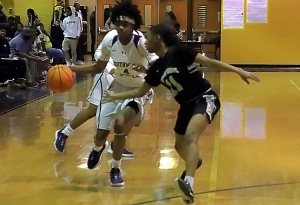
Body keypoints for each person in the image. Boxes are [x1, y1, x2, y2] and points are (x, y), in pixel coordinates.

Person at [103, 24, 261, 203]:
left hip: (204, 98)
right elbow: (140, 92)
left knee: (190, 135)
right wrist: (115, 95)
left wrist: (238, 70)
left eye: (147, 37)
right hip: (185, 106)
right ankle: (194, 161)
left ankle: (189, 183)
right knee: (179, 146)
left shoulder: (180, 51)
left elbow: (209, 62)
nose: (144, 42)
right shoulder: (156, 66)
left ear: (158, 38)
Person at [64, 0, 158, 187]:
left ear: (133, 25)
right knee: (100, 135)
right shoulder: (110, 40)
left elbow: (158, 66)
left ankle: (115, 168)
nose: (121, 27)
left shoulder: (141, 43)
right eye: (118, 23)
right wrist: (70, 68)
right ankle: (98, 149)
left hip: (136, 90)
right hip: (116, 87)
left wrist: (145, 70)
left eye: (126, 24)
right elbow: (98, 67)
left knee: (121, 124)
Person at [53, 29, 146, 157]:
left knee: (131, 114)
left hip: (128, 80)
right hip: (106, 76)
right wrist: (111, 69)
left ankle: (116, 144)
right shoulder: (113, 35)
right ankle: (64, 133)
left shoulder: (139, 38)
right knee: (93, 109)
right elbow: (97, 55)